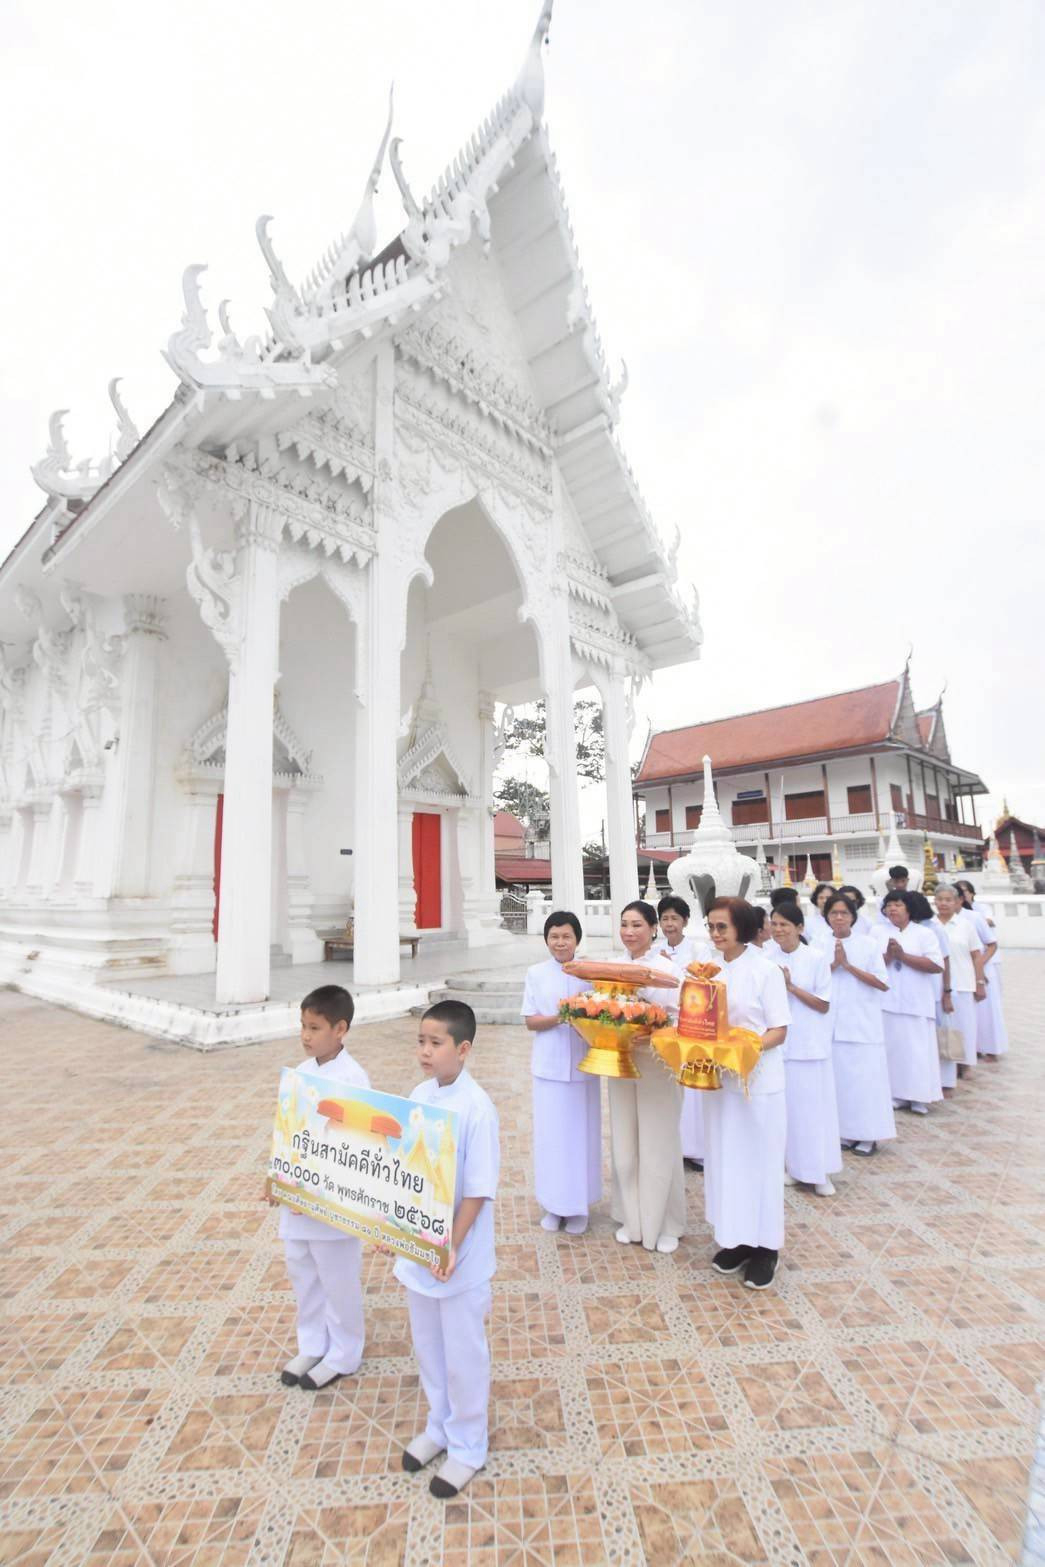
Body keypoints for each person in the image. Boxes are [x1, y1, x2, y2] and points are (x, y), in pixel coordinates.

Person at [396, 1001, 499, 1499]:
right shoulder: (418, 1096)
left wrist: (449, 1246)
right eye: (421, 1041)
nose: (425, 1051)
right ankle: (439, 1425)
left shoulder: (477, 1108)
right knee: (429, 1347)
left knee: (462, 1354)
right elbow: (402, 1169)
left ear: (462, 1049)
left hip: (458, 1256)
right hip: (419, 1251)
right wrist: (393, 1229)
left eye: (435, 1043)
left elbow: (477, 1191)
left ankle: (468, 1444)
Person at [265, 985, 368, 1391]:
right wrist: (276, 1177)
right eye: (302, 1026)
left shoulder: (353, 1079)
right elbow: (287, 1130)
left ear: (340, 1029)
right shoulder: (301, 1073)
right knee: (303, 1272)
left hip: (331, 1201)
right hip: (296, 1197)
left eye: (314, 1027)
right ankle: (313, 1343)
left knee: (337, 1278)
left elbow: (356, 1147)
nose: (305, 1036)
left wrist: (320, 1188)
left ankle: (345, 1351)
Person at [704, 897, 790, 1290]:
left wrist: (745, 1049)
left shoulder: (765, 970)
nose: (715, 934)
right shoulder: (710, 970)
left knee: (761, 1163)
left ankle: (766, 1248)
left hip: (759, 1083)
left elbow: (779, 1030)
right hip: (722, 1083)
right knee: (728, 1161)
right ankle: (737, 1239)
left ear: (741, 926)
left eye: (722, 927)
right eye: (711, 927)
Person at [608, 901, 685, 1254]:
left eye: (637, 925)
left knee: (658, 1142)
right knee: (625, 1144)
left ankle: (666, 1224)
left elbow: (683, 1018)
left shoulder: (668, 970)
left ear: (653, 929)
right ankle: (632, 1218)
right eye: (624, 924)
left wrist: (654, 1032)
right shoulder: (613, 967)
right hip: (621, 1060)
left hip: (658, 1062)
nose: (629, 932)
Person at [521, 910, 601, 1235]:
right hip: (549, 1070)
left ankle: (579, 1207)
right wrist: (563, 1016)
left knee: (581, 1139)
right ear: (546, 940)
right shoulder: (536, 973)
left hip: (584, 1068)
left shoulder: (590, 974)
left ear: (577, 939)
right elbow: (530, 1021)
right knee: (552, 1141)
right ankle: (553, 1206)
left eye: (566, 936)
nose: (560, 942)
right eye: (554, 937)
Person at [765, 902, 840, 1195]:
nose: (778, 929)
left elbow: (823, 1004)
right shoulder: (766, 958)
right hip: (778, 1047)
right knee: (786, 1114)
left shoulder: (816, 958)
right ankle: (792, 1168)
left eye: (784, 924)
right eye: (774, 924)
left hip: (809, 1047)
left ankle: (820, 1172)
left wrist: (791, 987)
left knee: (813, 1112)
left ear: (799, 928)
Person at [824, 892, 893, 1156]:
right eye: (834, 913)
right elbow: (814, 979)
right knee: (840, 1084)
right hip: (831, 1026)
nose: (839, 918)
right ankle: (846, 1132)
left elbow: (882, 982)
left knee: (866, 1083)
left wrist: (848, 966)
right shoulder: (818, 943)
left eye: (844, 913)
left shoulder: (868, 944)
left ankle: (868, 1136)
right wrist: (834, 964)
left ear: (853, 917)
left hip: (862, 1024)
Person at [656, 895, 714, 1173]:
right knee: (669, 1085)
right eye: (665, 919)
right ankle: (673, 1146)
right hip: (666, 1025)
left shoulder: (699, 949)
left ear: (685, 921)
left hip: (693, 1024)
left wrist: (672, 968)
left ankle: (697, 1149)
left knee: (693, 1089)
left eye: (674, 919)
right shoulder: (655, 950)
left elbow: (704, 983)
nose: (669, 924)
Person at [879, 891, 944, 1115]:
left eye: (897, 904)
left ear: (908, 909)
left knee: (917, 1051)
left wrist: (903, 956)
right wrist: (889, 956)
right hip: (887, 1002)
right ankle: (896, 1094)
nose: (892, 909)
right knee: (893, 1050)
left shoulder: (924, 933)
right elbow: (871, 965)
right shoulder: (877, 932)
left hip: (916, 1002)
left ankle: (919, 1097)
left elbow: (936, 965)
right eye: (889, 905)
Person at [932, 883, 986, 1087]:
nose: (944, 903)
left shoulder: (966, 925)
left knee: (965, 1025)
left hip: (963, 982)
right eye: (940, 899)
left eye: (948, 900)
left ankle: (966, 1064)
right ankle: (950, 1064)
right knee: (946, 1027)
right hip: (939, 984)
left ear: (957, 902)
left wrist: (980, 982)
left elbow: (977, 956)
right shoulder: (930, 925)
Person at [956, 879, 1007, 1060]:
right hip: (963, 969)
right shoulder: (944, 920)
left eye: (963, 892)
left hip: (984, 964)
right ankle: (974, 1048)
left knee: (988, 1009)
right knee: (969, 1011)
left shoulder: (976, 915)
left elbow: (991, 943)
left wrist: (979, 965)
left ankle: (992, 1048)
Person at [805, 884, 835, 949]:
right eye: (821, 898)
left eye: (828, 898)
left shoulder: (840, 920)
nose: (824, 901)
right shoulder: (808, 922)